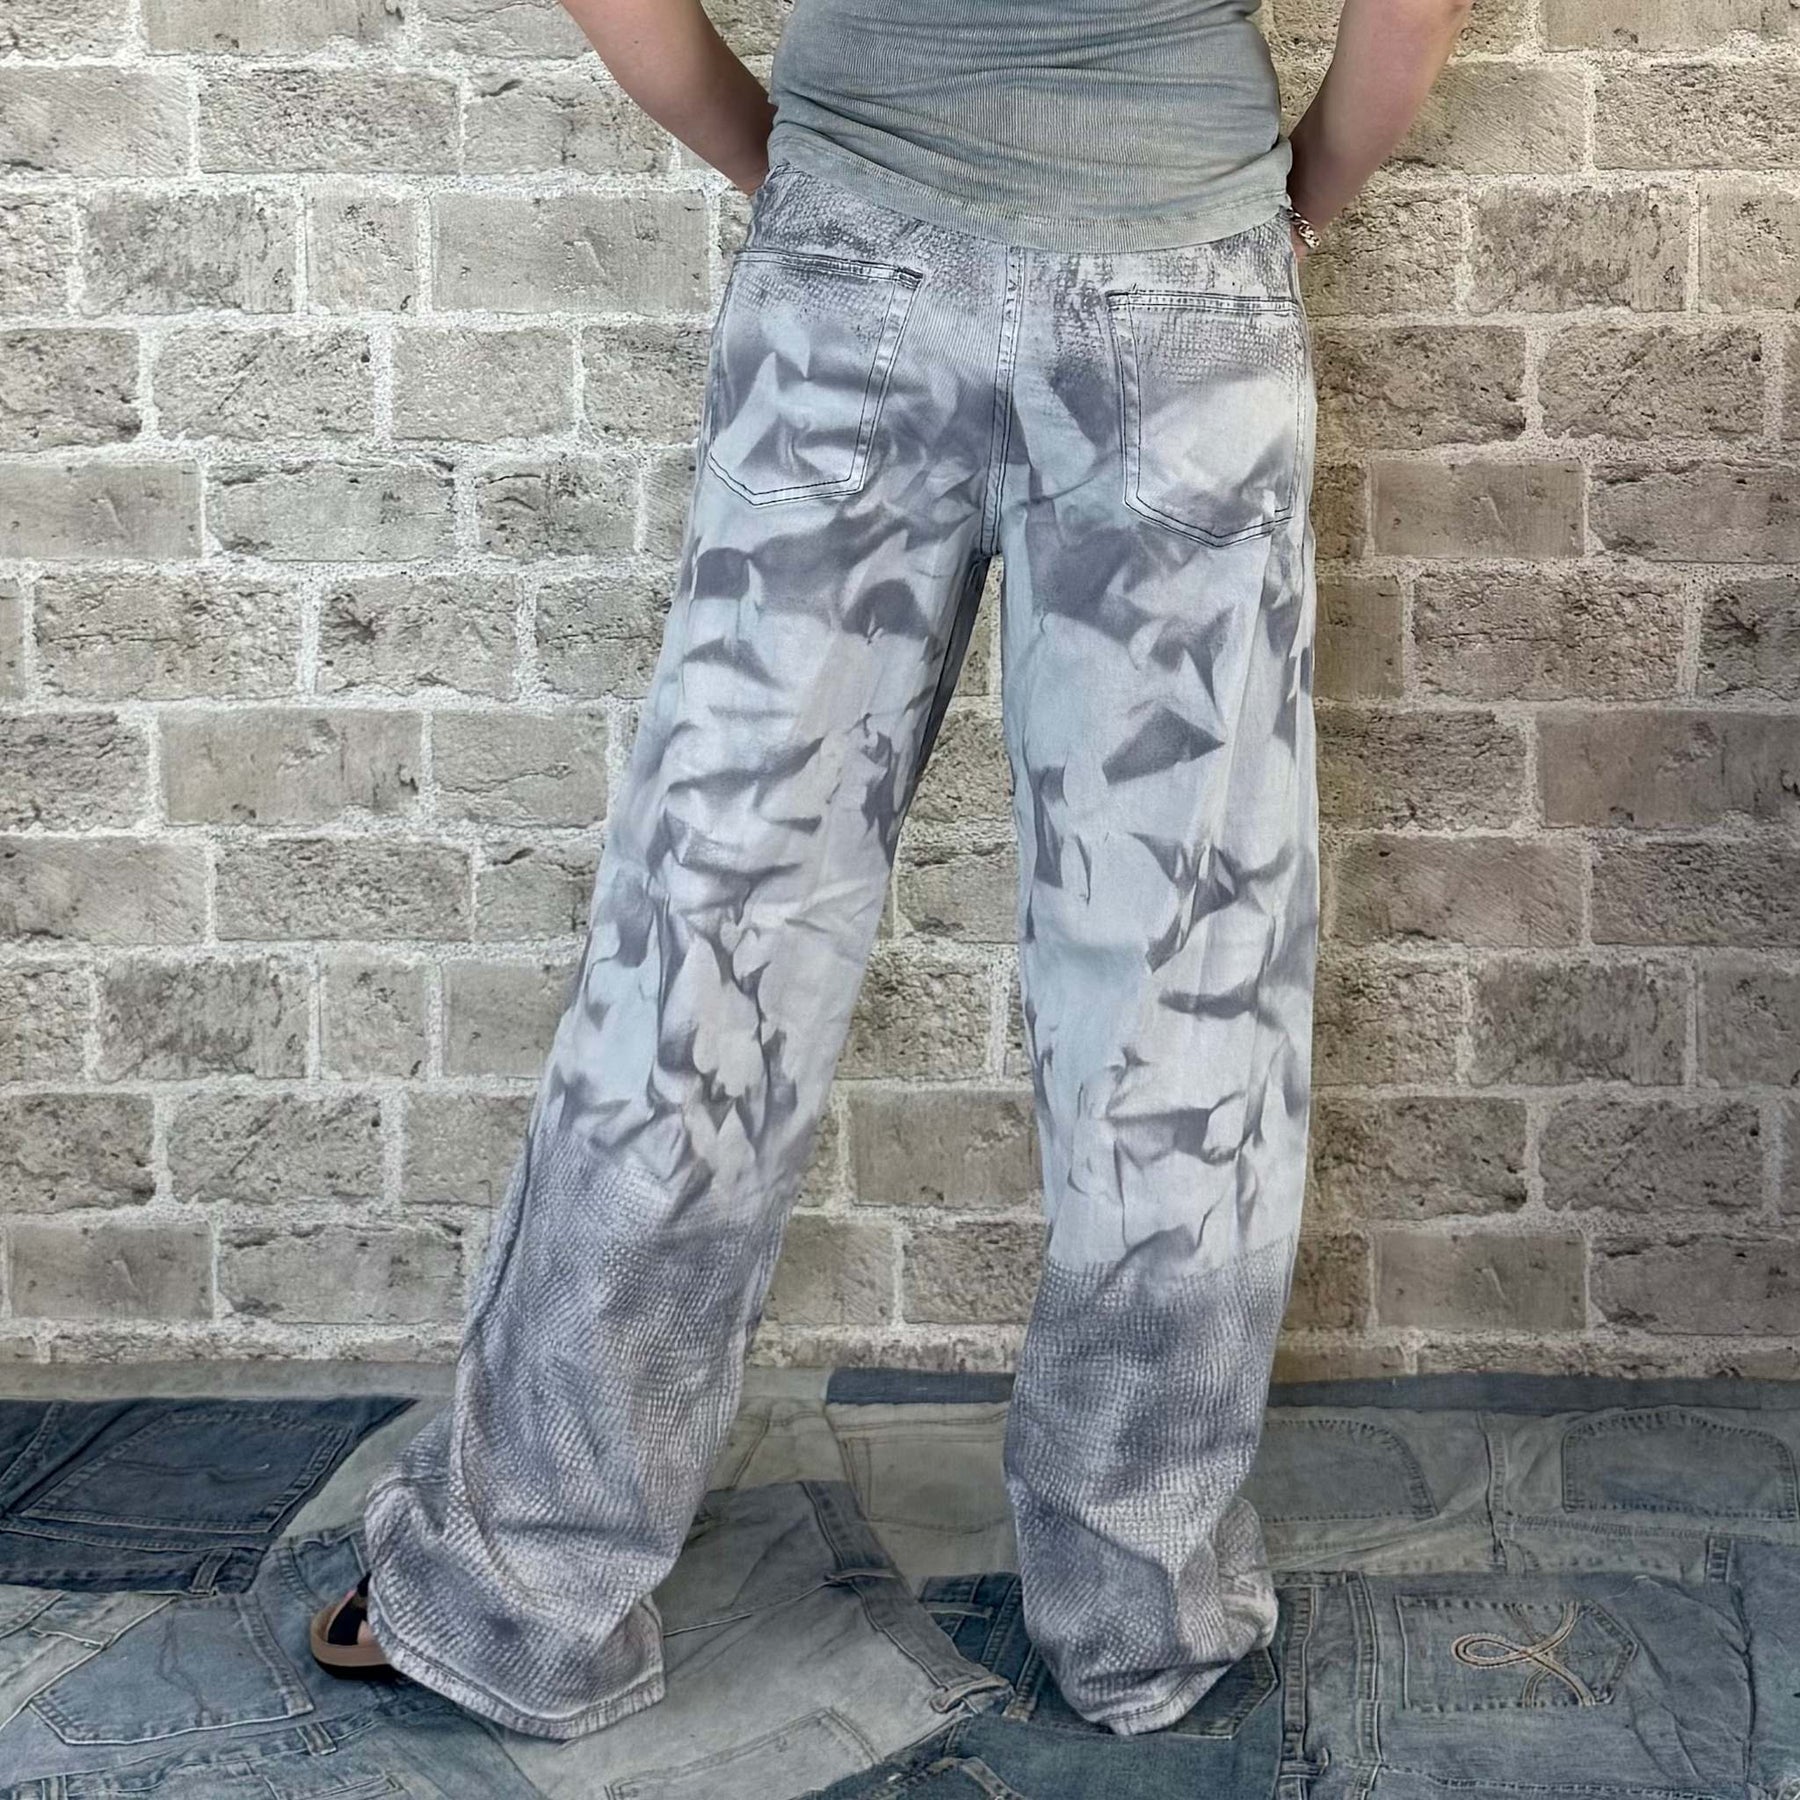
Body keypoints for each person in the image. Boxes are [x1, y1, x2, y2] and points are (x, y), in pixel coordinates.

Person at [310, 0, 1472, 1740]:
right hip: (1183, 279)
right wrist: (1294, 184)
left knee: (708, 943)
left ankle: (518, 1591)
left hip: (854, 258)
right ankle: (1144, 1612)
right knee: (1185, 989)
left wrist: (791, 158)